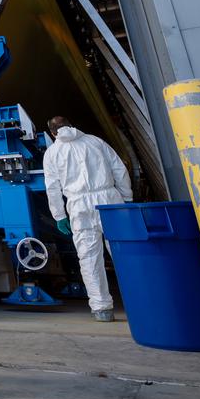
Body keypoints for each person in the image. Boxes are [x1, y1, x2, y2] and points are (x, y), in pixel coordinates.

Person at [43, 116, 132, 321]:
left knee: (89, 257)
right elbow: (119, 169)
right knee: (122, 252)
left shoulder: (52, 153)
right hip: (109, 199)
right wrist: (126, 198)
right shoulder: (95, 141)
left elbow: (52, 188)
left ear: (52, 133)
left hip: (79, 206)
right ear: (71, 125)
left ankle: (102, 309)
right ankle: (138, 301)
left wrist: (59, 215)